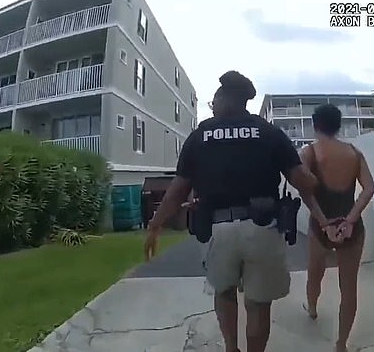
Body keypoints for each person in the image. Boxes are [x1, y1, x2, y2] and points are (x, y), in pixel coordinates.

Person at [144, 70, 335, 352]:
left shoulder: (201, 135)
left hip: (217, 231)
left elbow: (177, 190)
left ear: (224, 98)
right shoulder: (269, 132)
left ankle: (231, 348)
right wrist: (317, 174)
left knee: (224, 294)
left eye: (215, 98)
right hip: (263, 229)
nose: (213, 103)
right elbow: (302, 182)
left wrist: (155, 225)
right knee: (258, 304)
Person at [300, 104, 374, 352]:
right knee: (349, 286)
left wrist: (324, 223)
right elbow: (369, 189)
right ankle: (341, 344)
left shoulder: (309, 152)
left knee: (315, 273)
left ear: (315, 124)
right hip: (352, 229)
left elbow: (306, 191)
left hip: (320, 226)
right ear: (338, 125)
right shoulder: (354, 153)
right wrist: (350, 220)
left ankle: (312, 308)